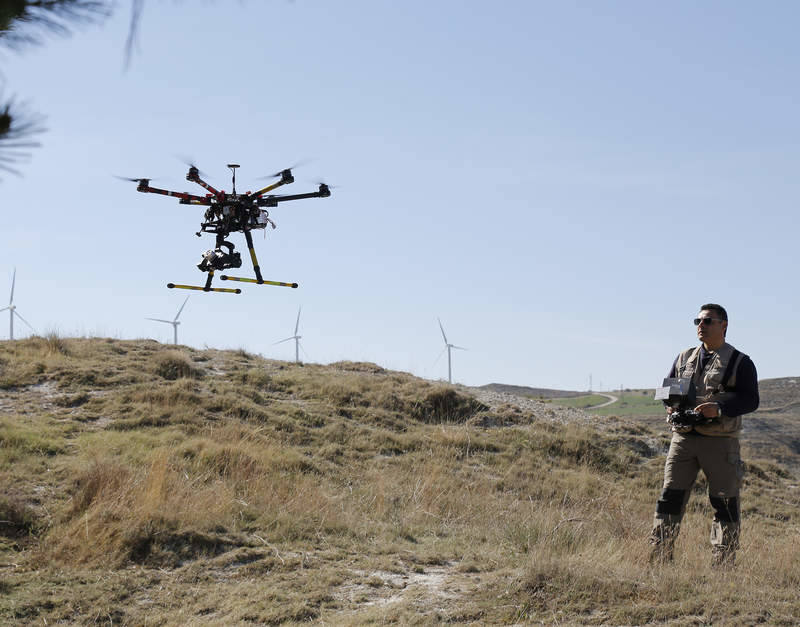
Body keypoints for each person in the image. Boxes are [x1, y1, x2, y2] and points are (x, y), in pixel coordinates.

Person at [649, 303, 759, 567]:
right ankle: (659, 558)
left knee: (724, 502)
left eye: (708, 321)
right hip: (683, 440)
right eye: (698, 321)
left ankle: (722, 564)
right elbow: (666, 392)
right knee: (669, 498)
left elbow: (751, 400)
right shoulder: (683, 357)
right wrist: (671, 408)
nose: (701, 325)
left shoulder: (740, 362)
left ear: (724, 325)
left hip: (720, 443)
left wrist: (718, 409)